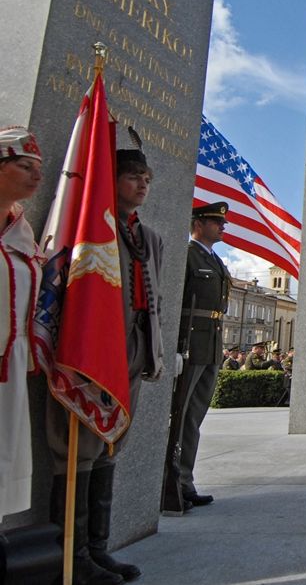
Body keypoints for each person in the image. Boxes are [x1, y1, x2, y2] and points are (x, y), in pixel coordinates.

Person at [47, 146, 167, 582]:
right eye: (133, 176)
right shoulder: (92, 227)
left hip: (134, 346)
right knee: (78, 448)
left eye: (147, 178)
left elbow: (154, 301)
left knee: (113, 443)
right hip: (94, 348)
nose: (142, 184)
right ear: (110, 179)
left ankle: (98, 548)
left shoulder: (148, 237)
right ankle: (71, 554)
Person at [162, 202, 230, 514]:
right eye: (216, 221)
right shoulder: (187, 255)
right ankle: (170, 481)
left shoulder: (214, 260)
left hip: (211, 343)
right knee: (180, 413)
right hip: (190, 342)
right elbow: (175, 301)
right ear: (198, 223)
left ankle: (185, 481)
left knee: (194, 417)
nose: (222, 226)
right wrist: (175, 346)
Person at [0, 127, 43, 526]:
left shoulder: (22, 233)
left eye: (38, 168)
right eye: (25, 166)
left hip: (9, 367)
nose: (36, 176)